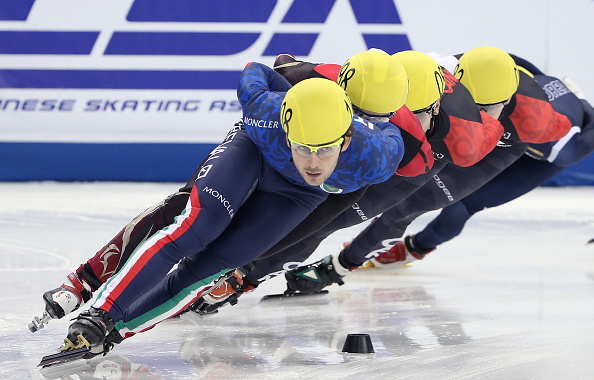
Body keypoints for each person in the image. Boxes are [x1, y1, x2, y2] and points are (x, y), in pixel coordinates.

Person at [45, 53, 409, 356]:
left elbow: (397, 129)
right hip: (253, 152)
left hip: (298, 196)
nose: (312, 163)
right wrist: (290, 71)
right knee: (193, 229)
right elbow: (258, 69)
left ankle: (113, 334)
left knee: (212, 267)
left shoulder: (377, 156)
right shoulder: (265, 111)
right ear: (285, 127)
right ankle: (100, 313)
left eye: (325, 150)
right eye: (302, 147)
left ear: (346, 142)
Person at [188, 49, 512, 312]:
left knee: (324, 219)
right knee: (301, 208)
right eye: (376, 113)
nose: (394, 123)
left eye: (411, 116)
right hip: (360, 149)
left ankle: (243, 275)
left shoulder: (455, 138)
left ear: (437, 105)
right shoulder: (348, 81)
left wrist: (339, 266)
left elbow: (284, 65)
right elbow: (287, 67)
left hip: (403, 159)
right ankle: (228, 263)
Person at [278, 46, 573, 295]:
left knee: (414, 206)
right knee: (351, 203)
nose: (479, 113)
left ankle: (340, 266)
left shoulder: (537, 118)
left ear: (508, 100)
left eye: (489, 108)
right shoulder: (438, 73)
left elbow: (573, 136)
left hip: (490, 146)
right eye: (474, 105)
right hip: (452, 138)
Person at [365, 61, 594, 269]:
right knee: (445, 167)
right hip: (532, 115)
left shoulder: (563, 148)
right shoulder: (510, 87)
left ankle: (415, 248)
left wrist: (583, 103)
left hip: (545, 156)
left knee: (463, 203)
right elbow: (510, 62)